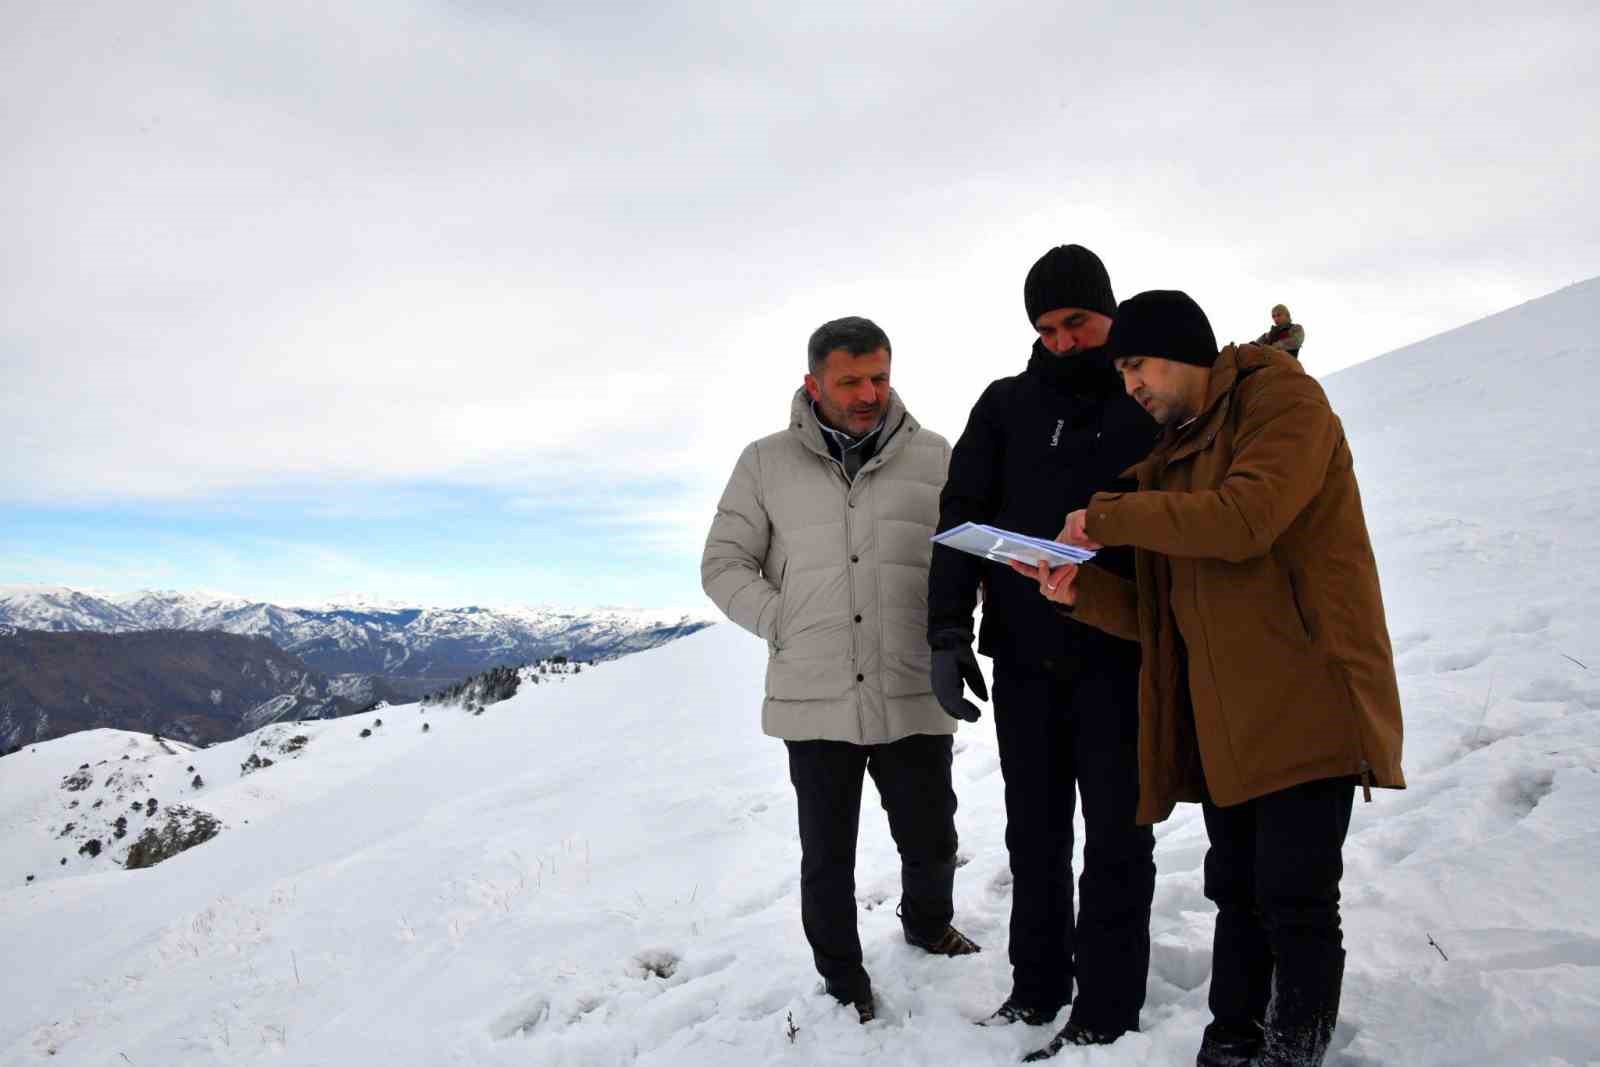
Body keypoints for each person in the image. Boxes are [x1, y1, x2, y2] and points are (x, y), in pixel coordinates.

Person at [1015, 289, 1406, 1066]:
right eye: (1121, 370)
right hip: (1228, 718)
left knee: (1295, 900)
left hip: (1307, 695)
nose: (1129, 384)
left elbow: (1246, 518)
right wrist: (1080, 590)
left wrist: (1108, 516)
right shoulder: (1178, 450)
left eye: (1136, 363)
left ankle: (1292, 1052)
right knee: (1238, 893)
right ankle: (1231, 1041)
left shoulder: (1282, 399)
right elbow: (1163, 615)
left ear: (1184, 350)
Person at [701, 315, 979, 1026]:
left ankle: (927, 923)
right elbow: (723, 564)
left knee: (932, 834)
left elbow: (961, 559)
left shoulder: (935, 456)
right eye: (850, 380)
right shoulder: (765, 462)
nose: (868, 393)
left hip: (910, 681)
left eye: (879, 377)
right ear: (813, 383)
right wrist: (783, 620)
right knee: (828, 853)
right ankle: (842, 974)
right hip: (816, 692)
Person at [926, 244, 1159, 1048]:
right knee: (1034, 833)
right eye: (1047, 327)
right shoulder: (1003, 405)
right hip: (1025, 656)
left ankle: (1108, 1004)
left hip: (1121, 653)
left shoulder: (1144, 398)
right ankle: (1036, 986)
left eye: (1077, 323)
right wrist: (949, 631)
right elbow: (959, 516)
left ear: (1109, 312)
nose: (1062, 341)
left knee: (1119, 835)